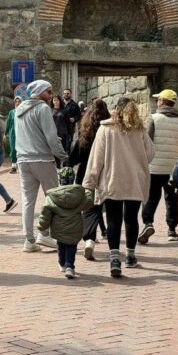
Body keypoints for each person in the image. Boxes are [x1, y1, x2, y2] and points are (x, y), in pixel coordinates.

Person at [83, 97, 155, 277]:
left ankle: (115, 258)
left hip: (112, 179)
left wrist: (89, 183)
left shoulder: (105, 129)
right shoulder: (140, 130)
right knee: (131, 218)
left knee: (114, 219)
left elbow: (96, 159)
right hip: (135, 180)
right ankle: (130, 256)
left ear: (116, 109)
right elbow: (150, 154)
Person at [15, 80, 68, 252]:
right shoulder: (43, 108)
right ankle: (45, 235)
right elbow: (52, 137)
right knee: (52, 198)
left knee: (28, 201)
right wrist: (63, 155)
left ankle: (28, 240)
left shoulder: (18, 110)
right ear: (40, 92)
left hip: (23, 159)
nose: (52, 95)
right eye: (49, 91)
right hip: (43, 159)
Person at [139, 89, 178, 244]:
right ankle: (172, 230)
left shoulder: (154, 118)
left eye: (158, 100)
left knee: (151, 197)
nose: (156, 102)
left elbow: (147, 142)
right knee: (172, 198)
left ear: (162, 101)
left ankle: (148, 223)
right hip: (173, 167)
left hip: (155, 166)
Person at [70, 98, 110, 260]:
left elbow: (74, 158)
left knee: (88, 209)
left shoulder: (85, 132)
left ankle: (89, 239)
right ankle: (96, 237)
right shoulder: (108, 130)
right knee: (99, 208)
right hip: (105, 174)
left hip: (86, 174)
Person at [37, 167, 94, 279]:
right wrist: (88, 191)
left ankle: (62, 263)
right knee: (72, 245)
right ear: (73, 179)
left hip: (59, 228)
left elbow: (45, 212)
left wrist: (42, 225)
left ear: (60, 179)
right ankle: (70, 266)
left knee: (61, 245)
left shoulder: (52, 196)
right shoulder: (80, 194)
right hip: (75, 226)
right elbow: (89, 202)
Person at [5, 96, 22, 174]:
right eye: (16, 101)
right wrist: (5, 133)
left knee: (21, 149)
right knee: (13, 149)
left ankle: (22, 166)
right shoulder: (11, 112)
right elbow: (8, 123)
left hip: (22, 133)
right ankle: (14, 167)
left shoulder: (23, 111)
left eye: (19, 102)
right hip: (13, 133)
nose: (17, 103)